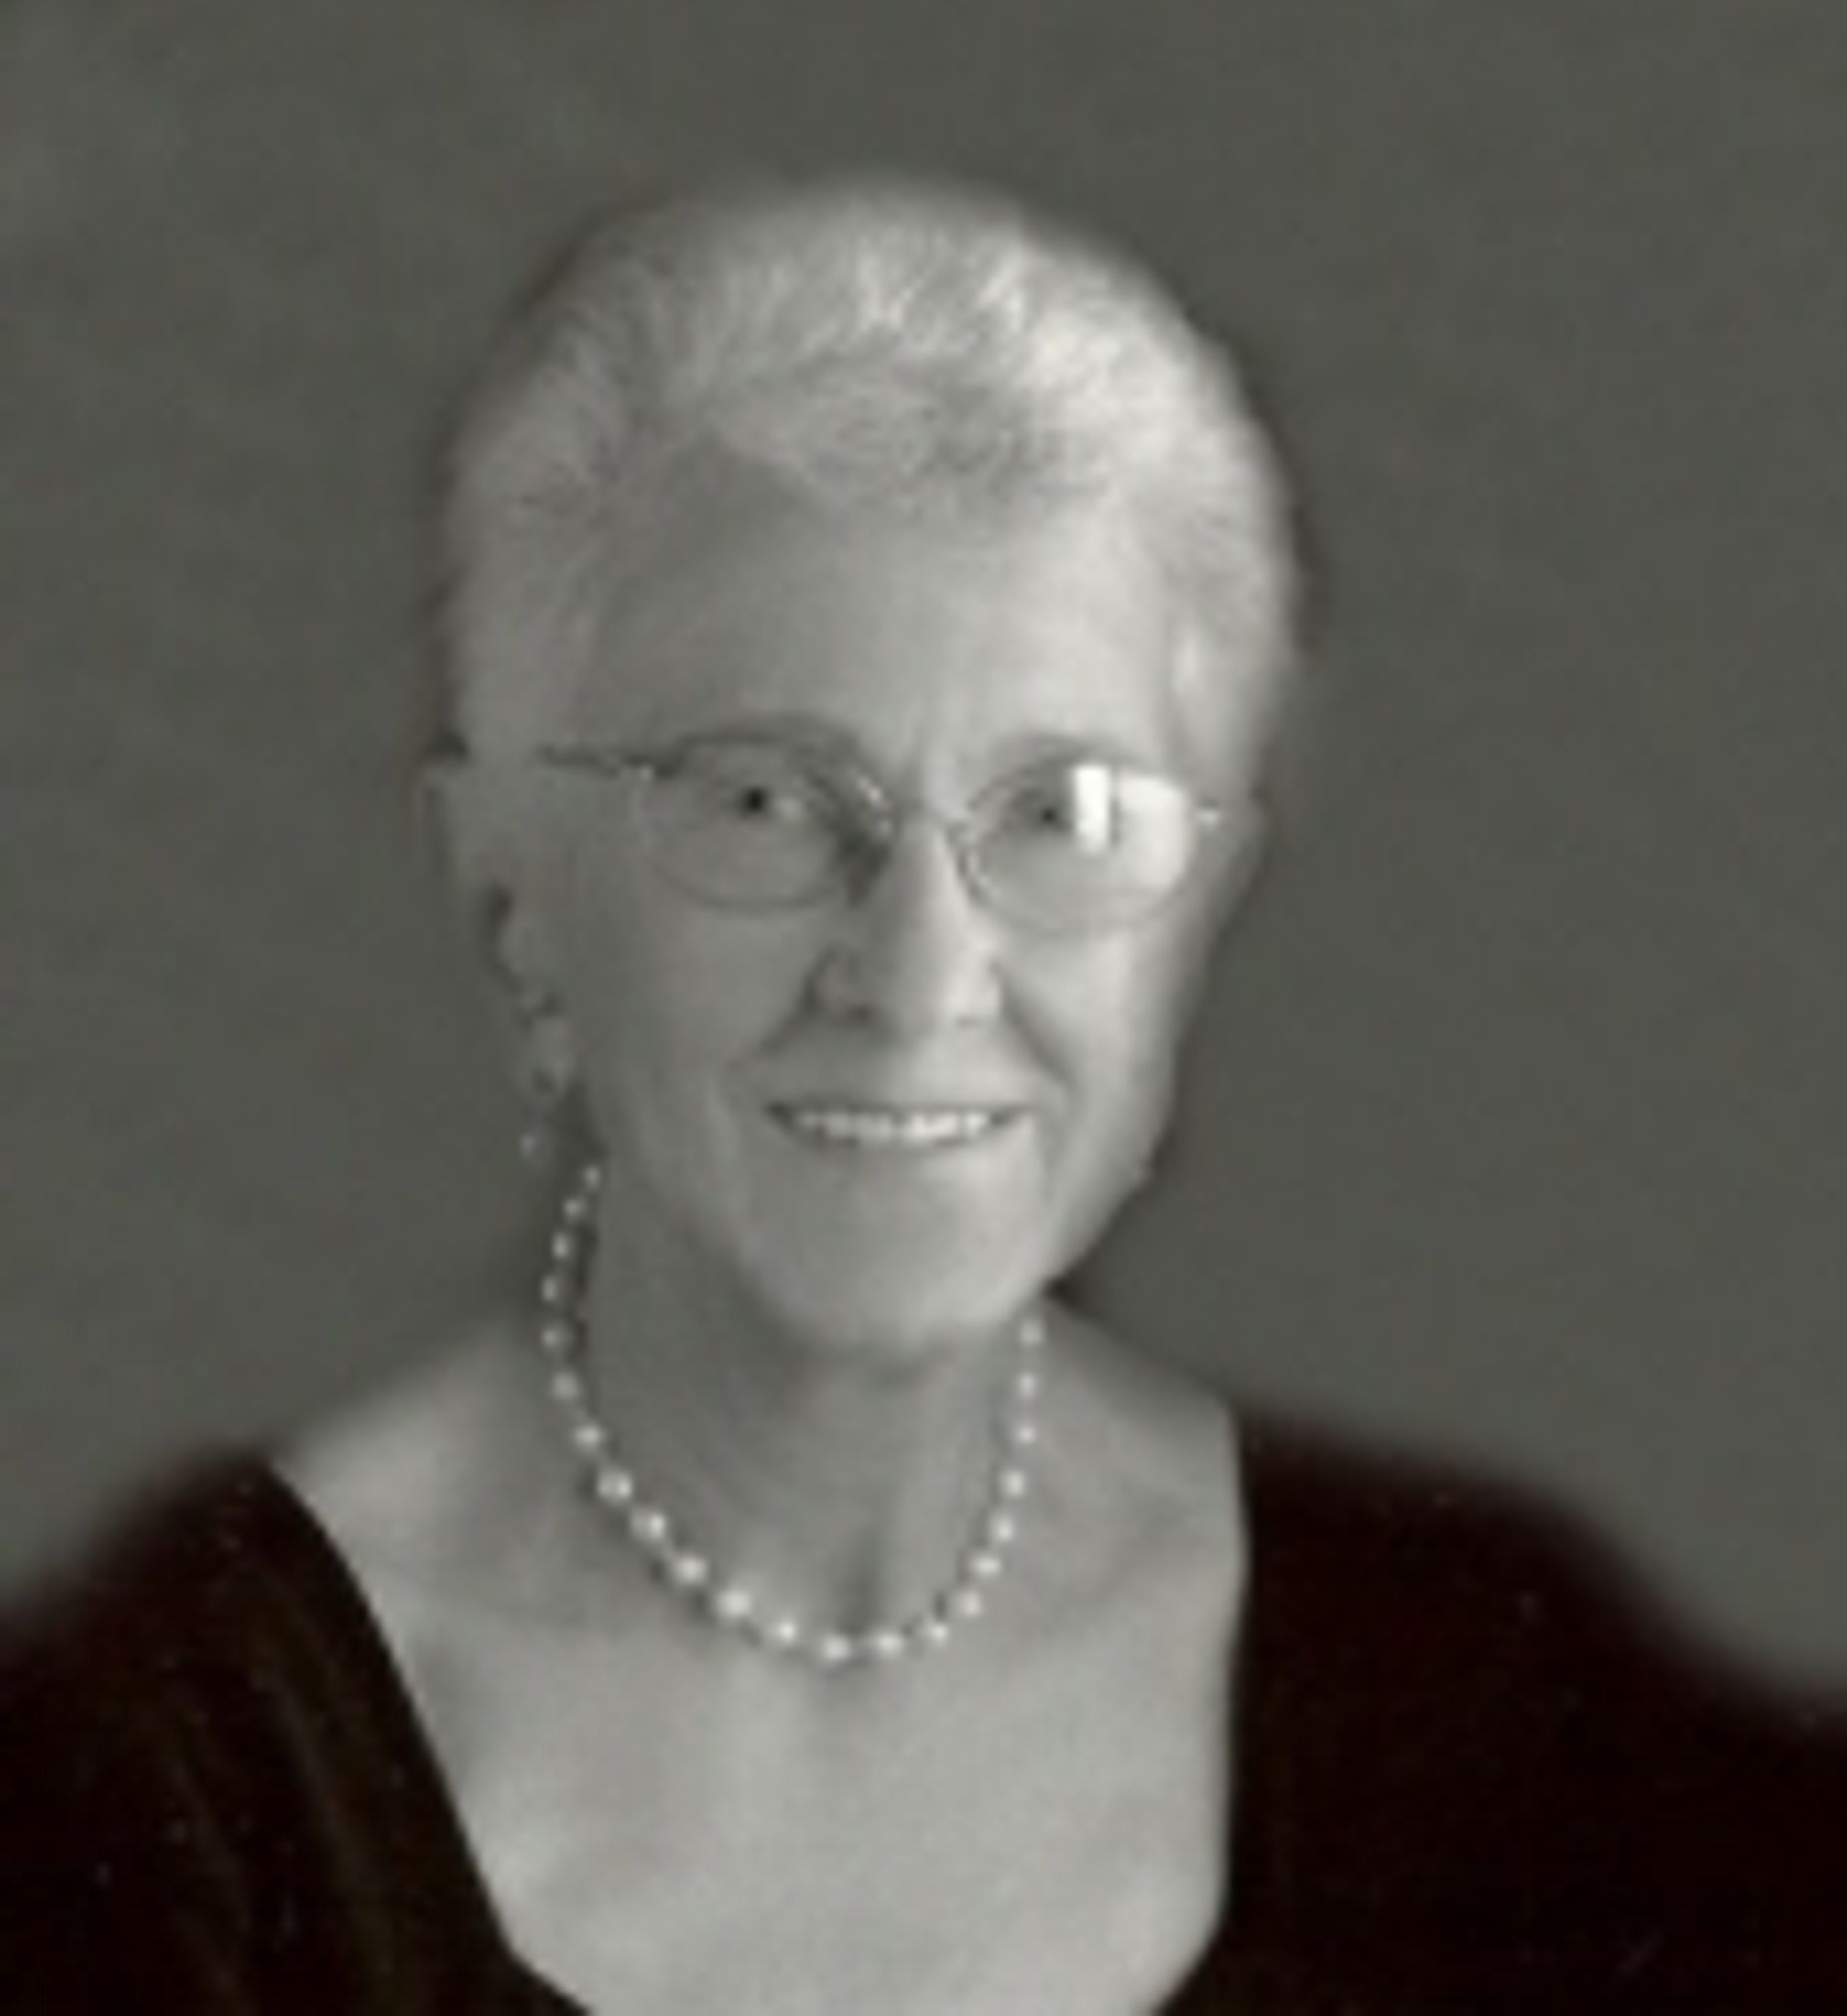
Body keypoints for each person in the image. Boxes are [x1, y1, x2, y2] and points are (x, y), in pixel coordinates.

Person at [1, 172, 1841, 2014]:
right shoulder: (162, 1754)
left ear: (1197, 910)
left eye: (1062, 813)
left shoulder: (1481, 1709)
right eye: (763, 800)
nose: (920, 975)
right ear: (515, 903)